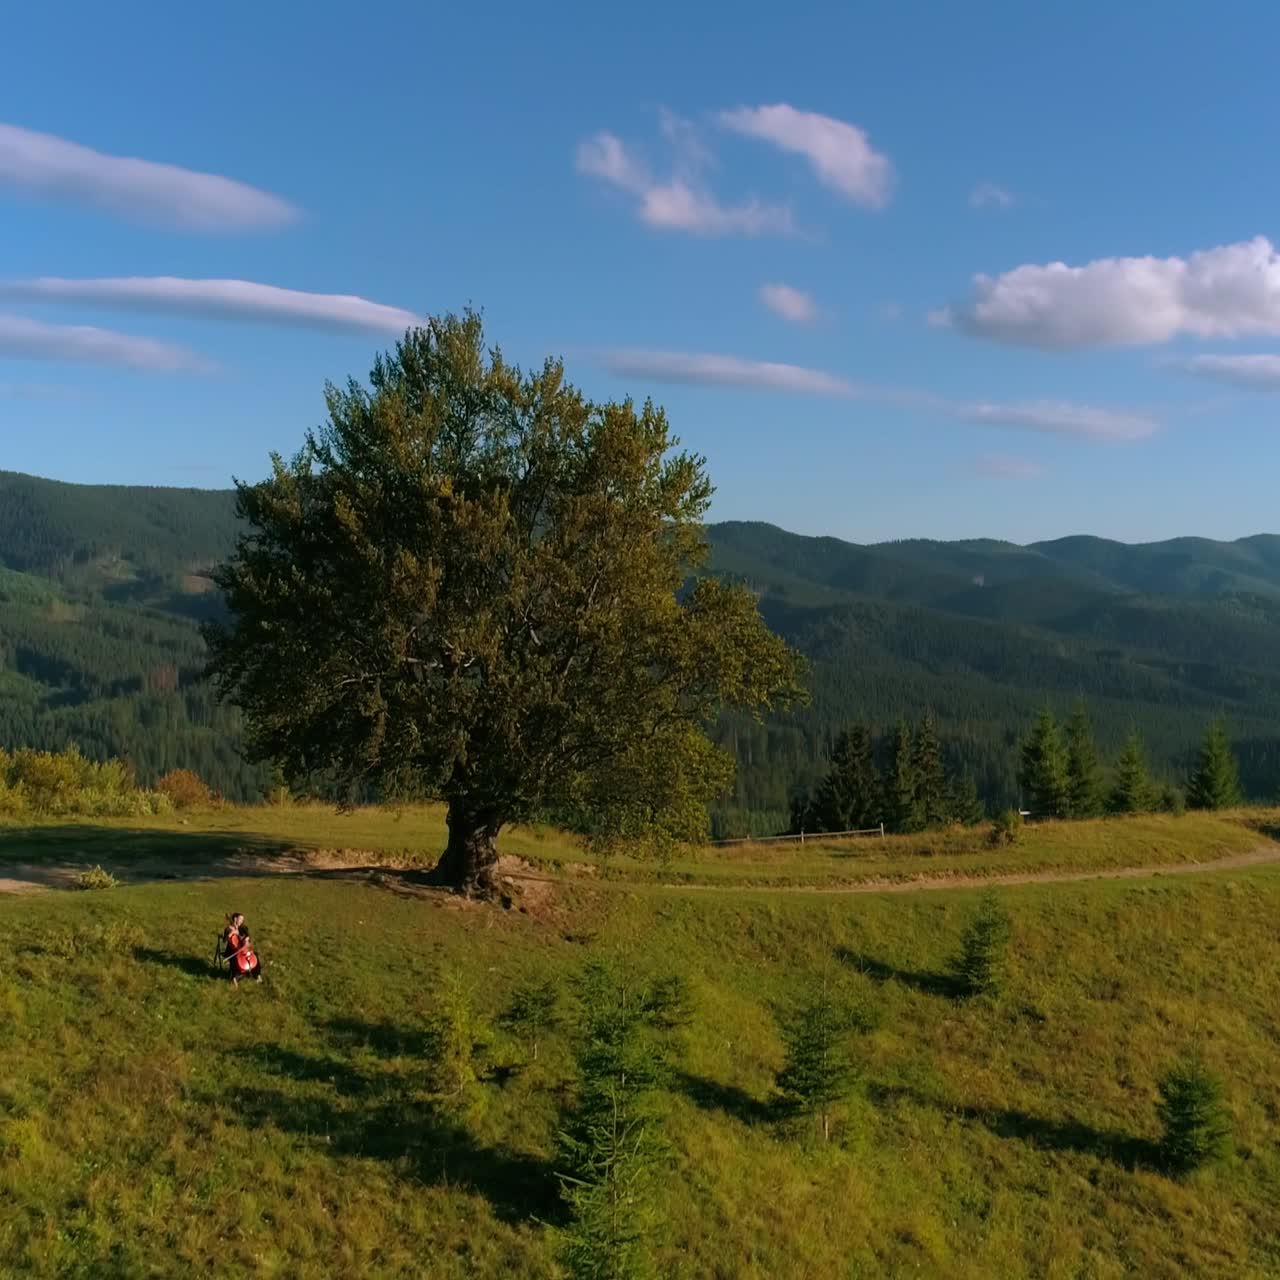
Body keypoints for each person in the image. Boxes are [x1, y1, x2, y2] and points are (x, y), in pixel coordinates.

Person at [218, 911, 262, 985]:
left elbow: (247, 937)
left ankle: (257, 975)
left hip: (244, 948)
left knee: (255, 955)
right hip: (232, 950)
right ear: (235, 919)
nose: (242, 921)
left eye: (242, 920)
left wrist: (246, 939)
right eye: (240, 919)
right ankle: (234, 977)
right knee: (234, 958)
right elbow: (224, 941)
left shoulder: (244, 928)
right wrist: (231, 933)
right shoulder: (228, 929)